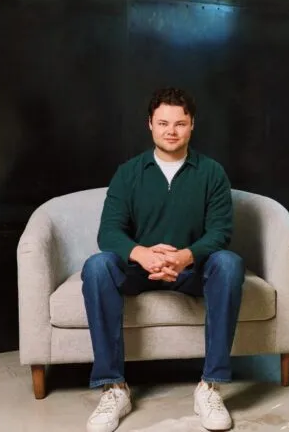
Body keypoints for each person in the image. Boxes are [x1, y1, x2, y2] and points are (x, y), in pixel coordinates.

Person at [82, 87, 244, 432]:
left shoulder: (212, 172)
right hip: (139, 271)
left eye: (180, 123)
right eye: (163, 123)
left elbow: (220, 232)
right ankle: (114, 388)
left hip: (192, 271)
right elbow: (108, 232)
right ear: (150, 125)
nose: (171, 131)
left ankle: (210, 386)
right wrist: (143, 255)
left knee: (229, 263)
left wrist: (185, 257)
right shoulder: (128, 173)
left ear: (192, 125)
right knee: (97, 266)